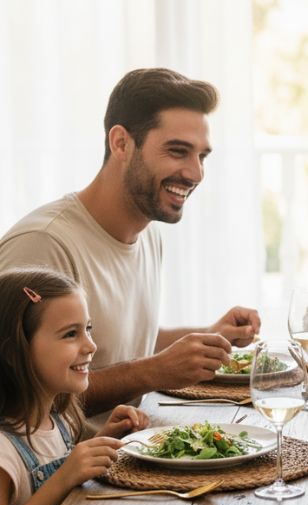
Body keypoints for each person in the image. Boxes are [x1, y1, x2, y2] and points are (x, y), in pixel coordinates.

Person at [0, 68, 261, 427]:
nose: (195, 173)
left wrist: (208, 335)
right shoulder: (44, 245)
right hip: (67, 476)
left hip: (130, 448)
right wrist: (152, 373)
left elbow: (123, 345)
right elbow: (14, 396)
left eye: (202, 156)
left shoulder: (148, 232)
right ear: (121, 143)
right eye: (177, 151)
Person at [0, 268, 150, 505]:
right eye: (71, 334)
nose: (90, 345)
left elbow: (61, 464)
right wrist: (62, 480)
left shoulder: (59, 419)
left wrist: (100, 442)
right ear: (13, 352)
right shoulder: (4, 451)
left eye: (88, 329)